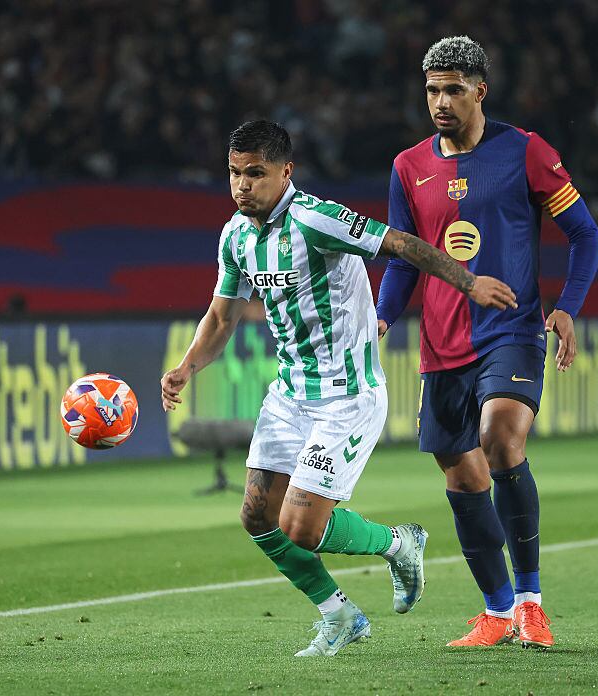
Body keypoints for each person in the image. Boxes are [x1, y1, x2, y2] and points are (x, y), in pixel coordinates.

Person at [161, 119, 517, 657]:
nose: (241, 186)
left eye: (254, 174)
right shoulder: (235, 235)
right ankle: (340, 614)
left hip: (347, 396)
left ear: (286, 172)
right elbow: (221, 316)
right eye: (233, 173)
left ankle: (399, 543)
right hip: (289, 394)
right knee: (258, 517)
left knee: (301, 528)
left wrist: (468, 282)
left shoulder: (317, 219)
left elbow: (399, 243)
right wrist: (188, 367)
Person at [376, 36, 598, 649]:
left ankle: (531, 604)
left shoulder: (525, 151)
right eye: (431, 90)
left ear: (481, 90)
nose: (440, 101)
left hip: (513, 329)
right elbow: (403, 258)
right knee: (461, 477)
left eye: (452, 89)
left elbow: (586, 235)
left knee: (500, 438)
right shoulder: (408, 166)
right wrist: (381, 318)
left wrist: (566, 308)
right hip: (441, 344)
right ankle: (497, 612)